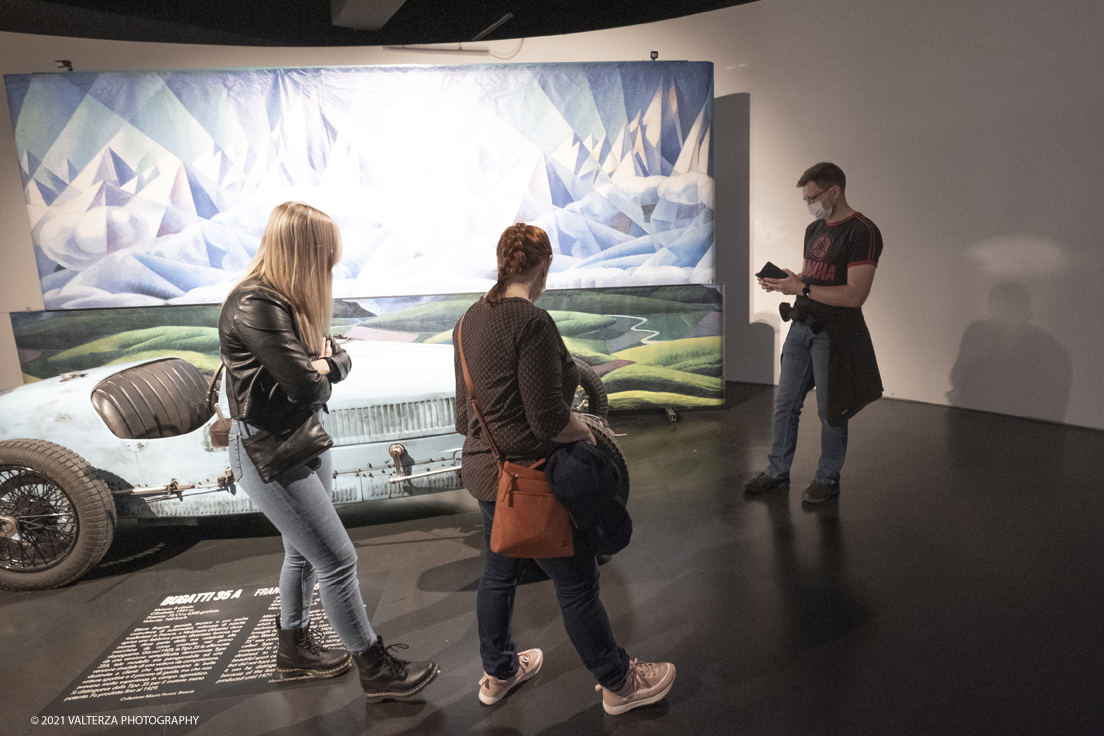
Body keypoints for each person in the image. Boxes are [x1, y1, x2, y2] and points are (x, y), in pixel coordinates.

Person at [453, 222, 675, 714]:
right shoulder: (531, 323)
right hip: (533, 481)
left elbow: (459, 416)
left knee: (498, 575)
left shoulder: (467, 321)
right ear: (543, 266)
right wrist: (590, 431)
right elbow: (551, 419)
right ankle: (620, 684)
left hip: (488, 476)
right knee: (576, 585)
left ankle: (500, 672)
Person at [219, 201, 438, 701]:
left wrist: (325, 365)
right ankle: (375, 668)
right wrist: (320, 368)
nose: (330, 270)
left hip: (301, 437)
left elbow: (338, 357)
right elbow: (305, 385)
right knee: (337, 560)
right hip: (268, 449)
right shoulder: (256, 304)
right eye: (326, 259)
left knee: (302, 551)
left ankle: (293, 646)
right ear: (304, 254)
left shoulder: (281, 300)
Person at [745, 162, 883, 503]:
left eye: (813, 197)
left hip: (834, 333)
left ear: (834, 191)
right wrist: (788, 283)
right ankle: (777, 471)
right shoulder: (814, 229)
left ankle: (828, 478)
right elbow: (814, 280)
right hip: (802, 325)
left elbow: (855, 295)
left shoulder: (862, 231)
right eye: (806, 199)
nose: (809, 204)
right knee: (785, 403)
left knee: (831, 409)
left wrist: (801, 289)